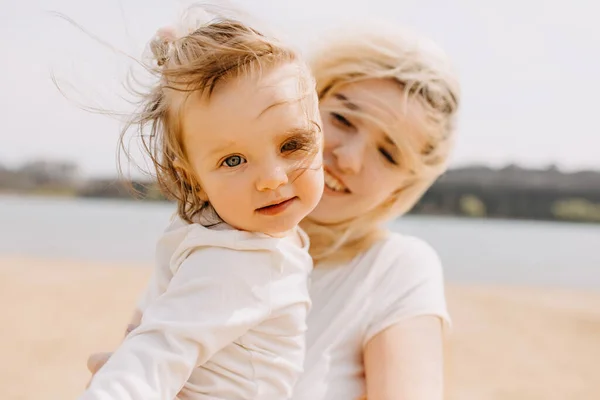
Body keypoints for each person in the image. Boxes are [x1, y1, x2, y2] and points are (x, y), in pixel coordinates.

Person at [88, 20, 460, 400]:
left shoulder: (395, 270)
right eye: (343, 119)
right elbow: (142, 364)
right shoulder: (209, 236)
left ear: (403, 186)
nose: (349, 157)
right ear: (308, 104)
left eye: (388, 153)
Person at [79, 7, 325, 400]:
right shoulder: (239, 259)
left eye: (292, 145)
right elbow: (156, 352)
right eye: (233, 160)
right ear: (193, 177)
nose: (272, 179)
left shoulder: (208, 228)